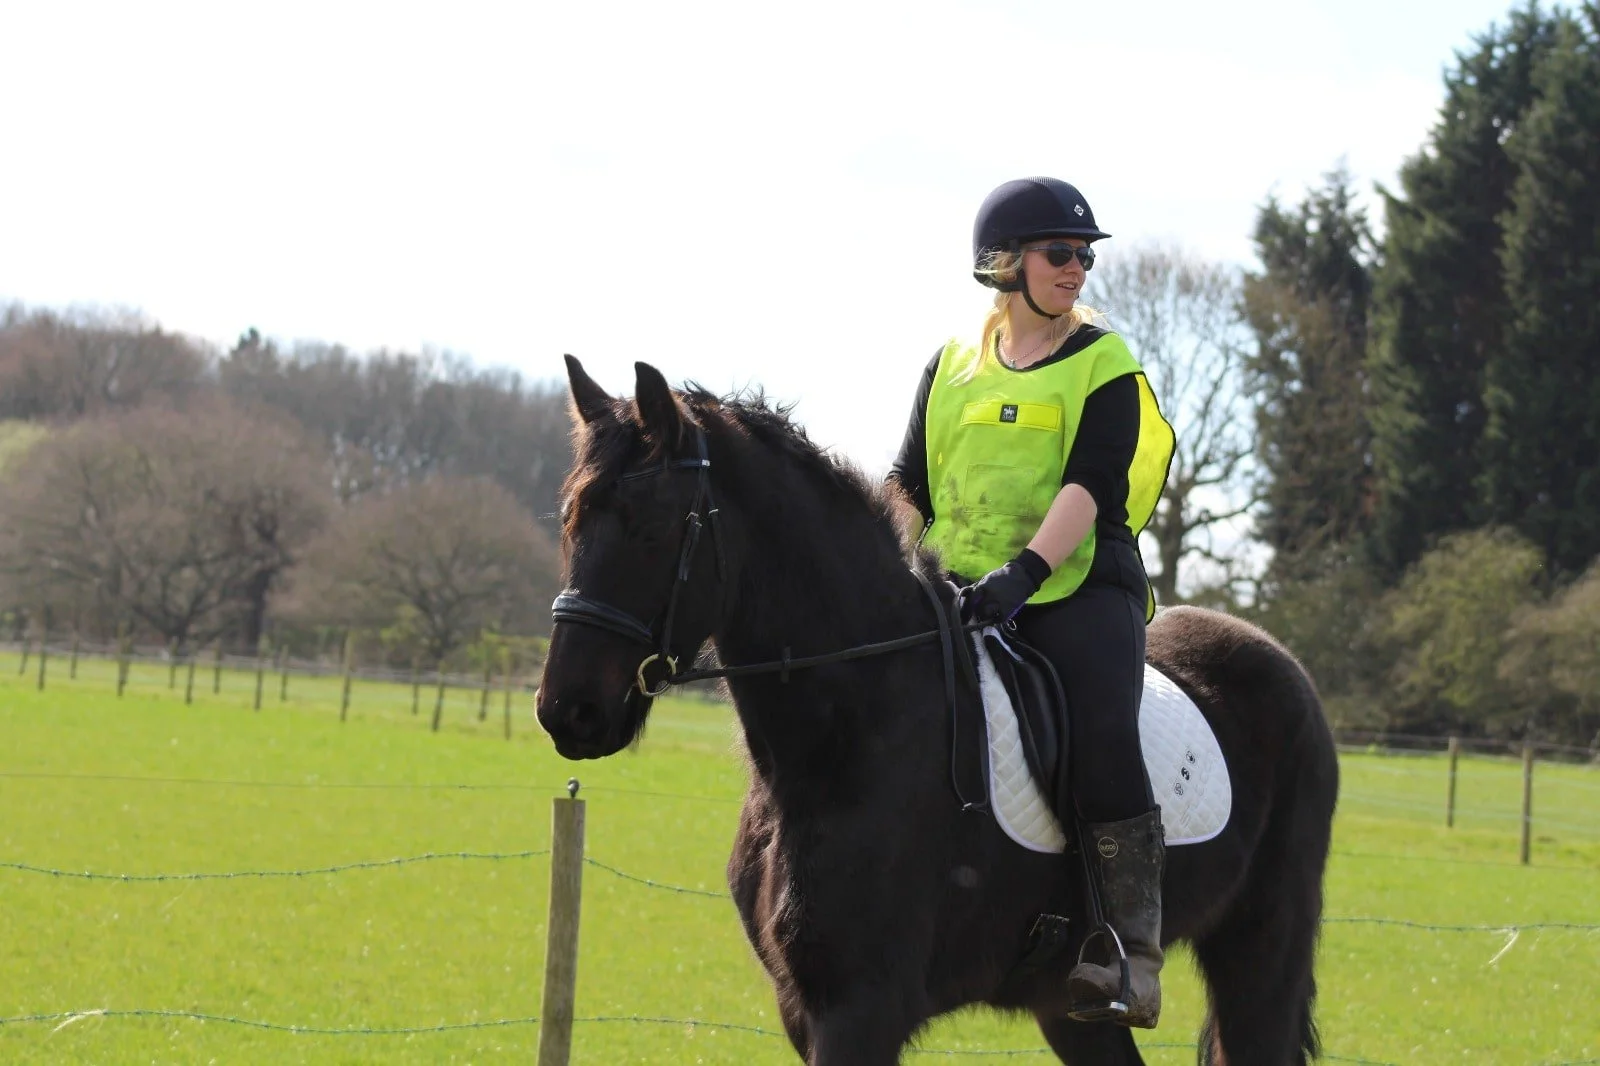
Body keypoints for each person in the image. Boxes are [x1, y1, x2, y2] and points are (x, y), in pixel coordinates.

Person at [887, 176, 1175, 1028]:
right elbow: (908, 482)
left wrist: (1023, 575)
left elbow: (1090, 485)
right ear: (1004, 265)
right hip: (956, 584)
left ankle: (1131, 955)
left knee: (1102, 738)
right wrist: (886, 561)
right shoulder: (949, 366)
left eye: (1085, 255)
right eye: (1061, 253)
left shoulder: (1105, 364)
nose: (1078, 268)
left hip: (1077, 584)